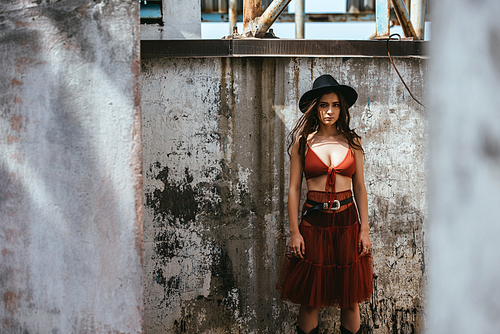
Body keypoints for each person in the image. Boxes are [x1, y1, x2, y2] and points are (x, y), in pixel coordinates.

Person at [276, 74, 373, 334]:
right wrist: (295, 232)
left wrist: (364, 229)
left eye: (335, 105)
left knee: (350, 301)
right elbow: (294, 189)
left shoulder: (353, 141)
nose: (329, 111)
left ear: (342, 108)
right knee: (310, 301)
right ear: (315, 108)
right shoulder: (302, 143)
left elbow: (360, 187)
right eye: (323, 105)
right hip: (313, 224)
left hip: (348, 223)